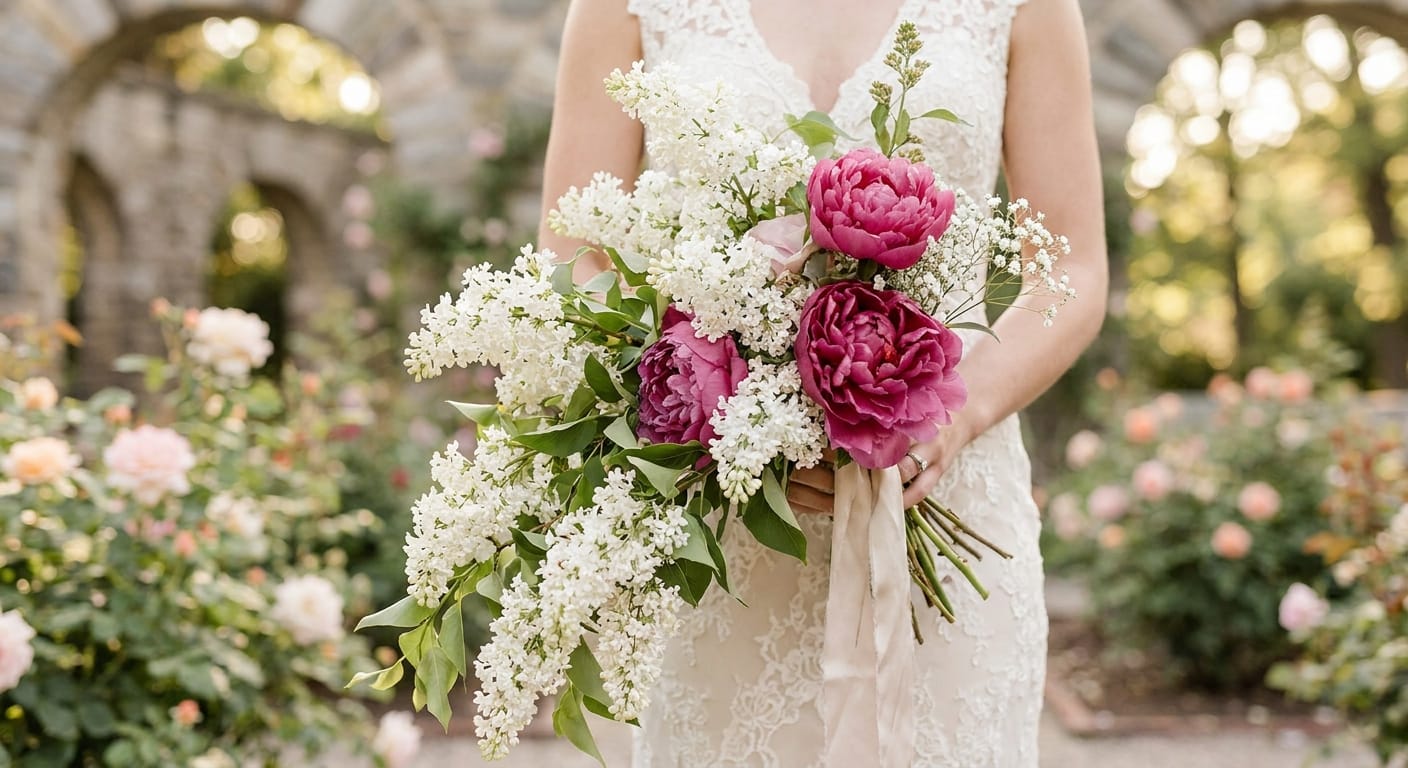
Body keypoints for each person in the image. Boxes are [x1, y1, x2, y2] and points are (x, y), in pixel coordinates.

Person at [537, 0, 1108, 764]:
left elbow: (1071, 269)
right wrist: (736, 423)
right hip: (723, 534)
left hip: (950, 495)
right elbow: (575, 258)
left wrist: (949, 419)